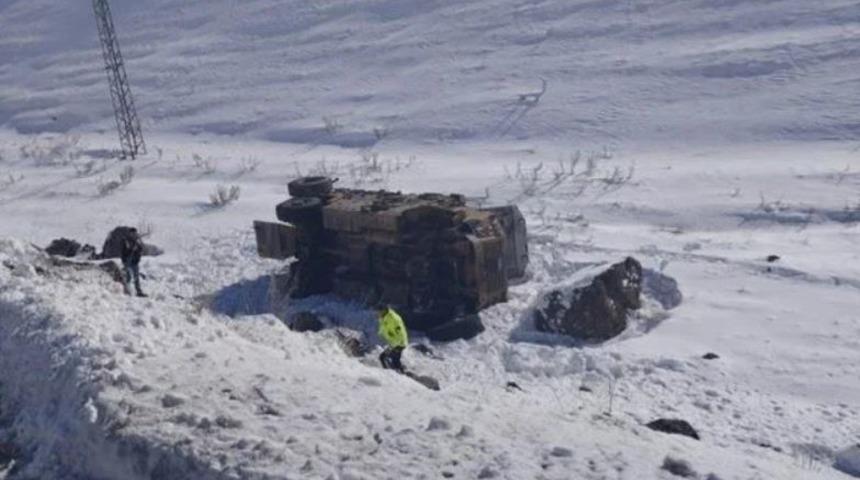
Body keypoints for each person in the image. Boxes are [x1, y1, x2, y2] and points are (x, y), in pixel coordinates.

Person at [377, 305, 408, 372]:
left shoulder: (394, 318)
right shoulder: (384, 317)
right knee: (388, 358)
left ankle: (395, 374)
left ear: (384, 310)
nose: (378, 313)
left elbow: (400, 333)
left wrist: (395, 344)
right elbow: (384, 328)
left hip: (399, 343)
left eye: (379, 311)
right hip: (394, 343)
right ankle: (399, 372)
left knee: (385, 358)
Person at [120, 227, 146, 297]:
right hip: (128, 261)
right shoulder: (126, 241)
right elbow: (125, 251)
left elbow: (141, 249)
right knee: (128, 277)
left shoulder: (137, 241)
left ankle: (138, 291)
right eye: (132, 233)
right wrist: (132, 249)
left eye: (135, 233)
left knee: (136, 277)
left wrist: (138, 249)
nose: (134, 234)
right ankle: (126, 290)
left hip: (135, 261)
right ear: (130, 233)